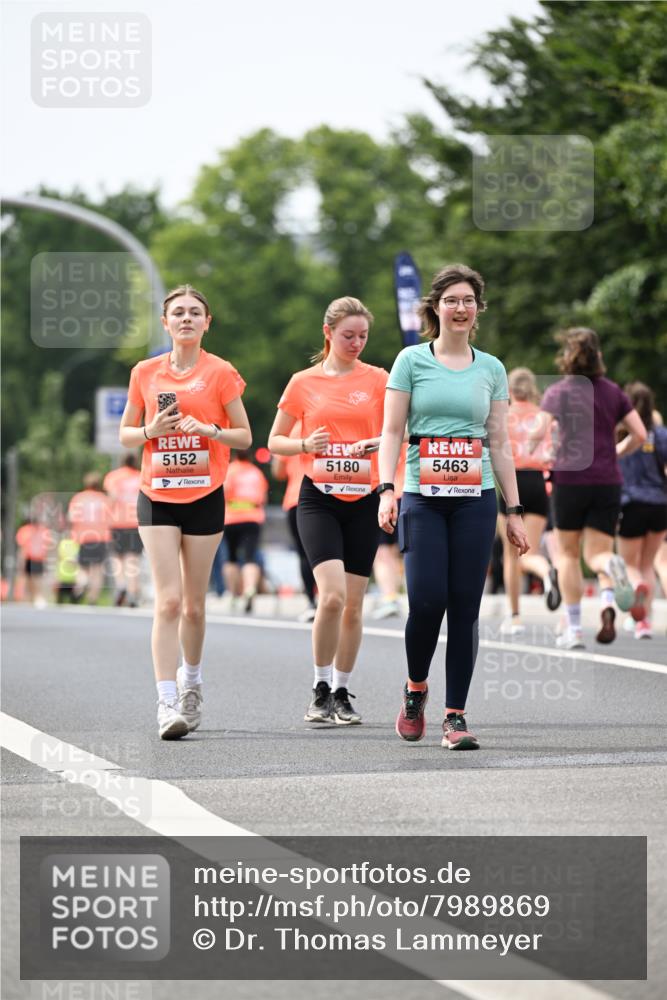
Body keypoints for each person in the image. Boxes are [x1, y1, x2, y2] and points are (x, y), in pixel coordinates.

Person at [378, 263, 528, 751]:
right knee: (426, 601)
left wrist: (514, 511)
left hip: (475, 498)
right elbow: (391, 431)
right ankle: (415, 689)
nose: (460, 309)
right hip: (422, 496)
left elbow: (499, 442)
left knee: (465, 607)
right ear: (435, 308)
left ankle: (455, 716)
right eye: (451, 301)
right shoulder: (410, 361)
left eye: (468, 301)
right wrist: (386, 489)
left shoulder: (492, 369)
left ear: (478, 309)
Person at [119, 284, 251, 740]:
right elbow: (126, 434)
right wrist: (150, 429)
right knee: (169, 601)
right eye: (178, 313)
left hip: (204, 494)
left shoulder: (220, 372)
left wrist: (211, 431)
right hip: (157, 494)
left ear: (207, 323)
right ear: (165, 323)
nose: (187, 319)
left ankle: (191, 682)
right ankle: (166, 702)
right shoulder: (145, 372)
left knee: (194, 606)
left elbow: (244, 435)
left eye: (195, 312)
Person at [268, 296, 387, 726]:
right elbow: (274, 440)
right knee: (332, 596)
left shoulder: (379, 379)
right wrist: (304, 444)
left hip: (365, 497)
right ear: (328, 333)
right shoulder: (303, 382)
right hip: (318, 497)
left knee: (354, 604)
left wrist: (378, 444)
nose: (356, 343)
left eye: (363, 336)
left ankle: (341, 690)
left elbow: (400, 430)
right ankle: (319, 688)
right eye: (348, 335)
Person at [528, 328, 647, 648]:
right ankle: (611, 565)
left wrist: (539, 450)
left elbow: (536, 434)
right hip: (607, 481)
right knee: (599, 554)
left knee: (567, 555)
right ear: (599, 357)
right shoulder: (613, 392)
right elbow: (639, 434)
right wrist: (617, 451)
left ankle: (575, 629)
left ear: (567, 357)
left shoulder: (558, 391)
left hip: (569, 481)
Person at [498, 367, 560, 636]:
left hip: (512, 481)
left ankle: (514, 617)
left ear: (509, 390)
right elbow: (554, 450)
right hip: (537, 481)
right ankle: (546, 572)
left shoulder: (503, 415)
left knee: (511, 556)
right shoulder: (543, 415)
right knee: (530, 552)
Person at [617, 382, 667, 639]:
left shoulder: (620, 434)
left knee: (629, 564)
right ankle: (644, 622)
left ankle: (638, 594)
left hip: (631, 503)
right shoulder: (661, 435)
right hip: (659, 505)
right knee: (648, 563)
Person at [271, 423, 318, 623]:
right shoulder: (325, 419)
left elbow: (278, 472)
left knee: (305, 554)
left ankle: (312, 602)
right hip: (329, 493)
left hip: (296, 499)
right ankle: (332, 598)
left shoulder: (290, 429)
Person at [223, 449, 269, 613]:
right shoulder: (257, 473)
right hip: (252, 517)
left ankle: (233, 594)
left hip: (231, 518)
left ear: (234, 456)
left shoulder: (230, 470)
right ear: (250, 457)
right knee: (250, 557)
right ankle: (250, 589)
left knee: (231, 557)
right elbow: (263, 498)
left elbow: (224, 492)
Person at [371, 443, 407, 620]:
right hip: (408, 492)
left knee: (383, 551)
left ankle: (390, 598)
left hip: (383, 493)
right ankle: (403, 597)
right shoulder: (410, 428)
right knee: (405, 550)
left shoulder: (375, 429)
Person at [104, 453, 143, 607]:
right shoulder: (141, 476)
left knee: (117, 557)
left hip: (117, 522)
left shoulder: (113, 477)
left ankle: (121, 585)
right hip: (136, 521)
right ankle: (133, 591)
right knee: (133, 559)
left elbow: (112, 497)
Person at [67, 473, 113, 604]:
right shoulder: (104, 499)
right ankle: (93, 598)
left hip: (83, 537)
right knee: (97, 569)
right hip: (101, 537)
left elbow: (71, 517)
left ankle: (83, 582)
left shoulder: (78, 498)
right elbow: (111, 517)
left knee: (83, 567)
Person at [15, 518, 52, 607]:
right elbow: (23, 548)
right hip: (30, 558)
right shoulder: (27, 530)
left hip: (37, 559)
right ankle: (31, 598)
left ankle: (36, 598)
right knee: (30, 580)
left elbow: (47, 548)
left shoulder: (42, 531)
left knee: (36, 580)